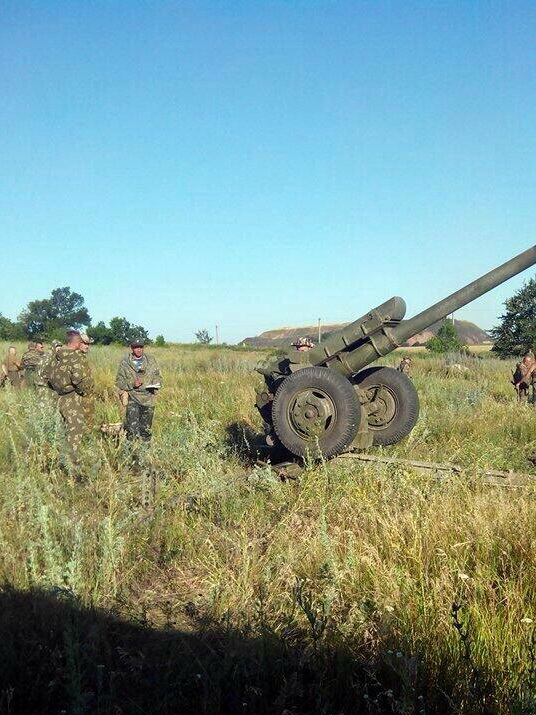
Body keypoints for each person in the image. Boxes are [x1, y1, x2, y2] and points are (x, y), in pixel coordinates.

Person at [47, 330, 94, 472]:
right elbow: (78, 379)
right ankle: (71, 465)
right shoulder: (74, 357)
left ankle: (62, 459)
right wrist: (85, 391)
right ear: (77, 343)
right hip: (71, 397)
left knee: (63, 430)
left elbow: (47, 375)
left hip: (58, 396)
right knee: (75, 430)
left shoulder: (57, 355)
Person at [115, 341, 162, 442]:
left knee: (146, 430)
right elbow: (119, 382)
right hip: (133, 398)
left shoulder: (150, 360)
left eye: (141, 347)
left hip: (149, 398)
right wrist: (132, 383)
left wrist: (156, 383)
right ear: (131, 348)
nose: (139, 349)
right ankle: (132, 454)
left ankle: (145, 453)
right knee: (132, 430)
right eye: (136, 347)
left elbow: (158, 376)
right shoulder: (125, 362)